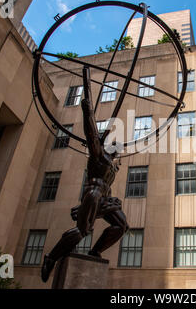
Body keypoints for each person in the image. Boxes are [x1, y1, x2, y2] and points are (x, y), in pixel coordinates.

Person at [41, 66, 128, 283]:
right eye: (116, 146)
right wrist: (87, 111)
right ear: (109, 146)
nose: (119, 149)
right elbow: (90, 132)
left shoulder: (113, 165)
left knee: (122, 225)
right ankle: (51, 258)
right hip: (93, 194)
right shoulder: (98, 155)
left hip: (104, 197)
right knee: (83, 230)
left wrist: (112, 200)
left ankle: (94, 253)